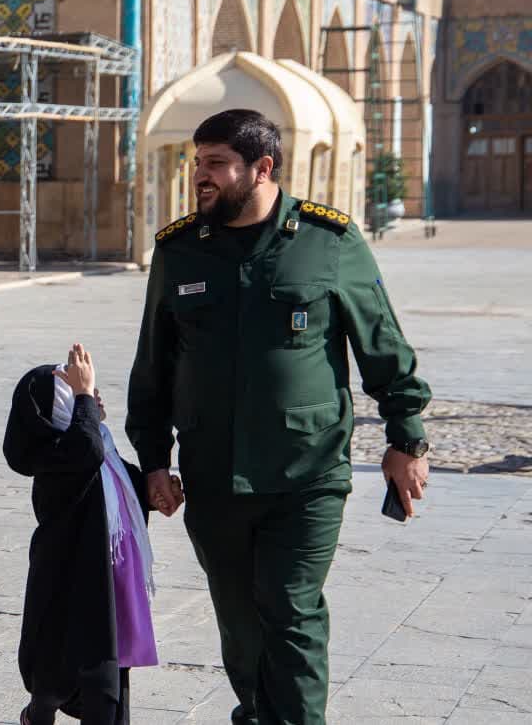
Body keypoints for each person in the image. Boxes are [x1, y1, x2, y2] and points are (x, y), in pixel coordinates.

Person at [126, 109, 432, 724]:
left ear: (262, 167)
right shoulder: (180, 250)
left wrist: (407, 439)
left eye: (216, 164)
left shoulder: (328, 240)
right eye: (197, 162)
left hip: (307, 473)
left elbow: (382, 346)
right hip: (214, 473)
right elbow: (153, 366)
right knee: (241, 626)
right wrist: (155, 461)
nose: (200, 175)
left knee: (291, 610)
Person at [5, 345, 161, 725]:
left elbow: (124, 487)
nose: (91, 395)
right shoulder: (58, 458)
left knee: (107, 690)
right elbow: (84, 451)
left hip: (108, 592)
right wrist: (84, 398)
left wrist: (156, 493)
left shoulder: (101, 448)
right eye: (71, 391)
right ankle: (36, 714)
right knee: (52, 684)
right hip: (67, 594)